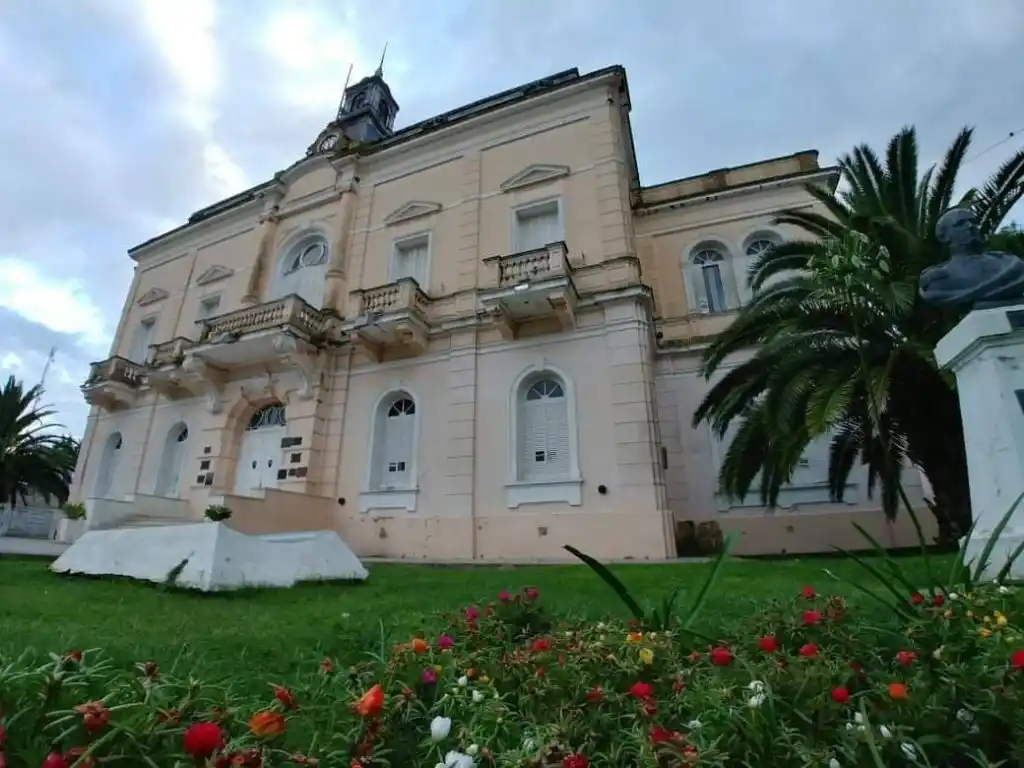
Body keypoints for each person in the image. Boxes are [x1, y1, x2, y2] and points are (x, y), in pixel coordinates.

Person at [919, 207, 1024, 310]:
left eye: (973, 222)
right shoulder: (939, 280)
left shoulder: (1008, 262)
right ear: (944, 236)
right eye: (960, 224)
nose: (970, 226)